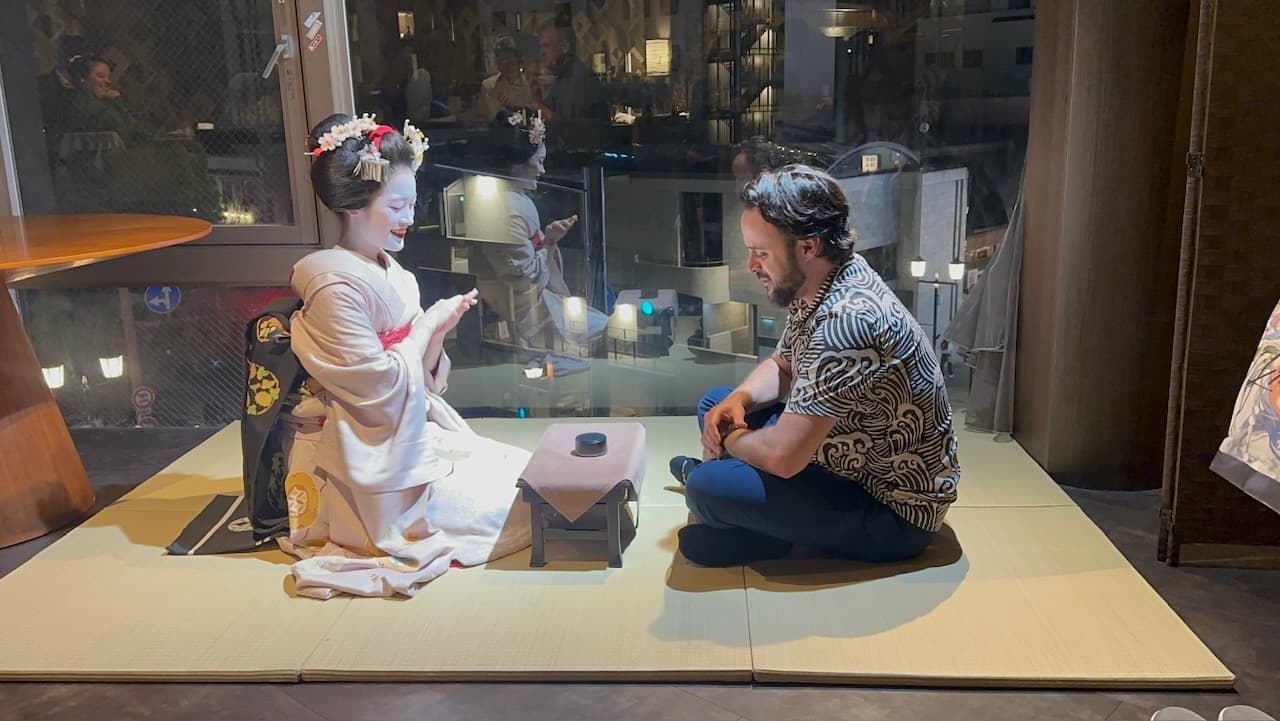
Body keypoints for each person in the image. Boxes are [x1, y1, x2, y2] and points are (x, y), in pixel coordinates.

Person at [275, 112, 532, 599]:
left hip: (404, 430)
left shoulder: (394, 274)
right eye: (396, 207)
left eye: (412, 205)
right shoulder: (331, 284)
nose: (409, 219)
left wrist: (436, 337)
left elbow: (424, 383)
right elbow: (379, 387)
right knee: (502, 506)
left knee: (522, 475)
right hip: (356, 447)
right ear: (353, 206)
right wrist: (428, 327)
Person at [668, 165, 960, 567]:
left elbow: (784, 459)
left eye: (761, 252)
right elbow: (784, 365)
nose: (752, 265)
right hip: (840, 453)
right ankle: (745, 510)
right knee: (717, 402)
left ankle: (753, 523)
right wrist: (739, 401)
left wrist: (727, 438)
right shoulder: (828, 278)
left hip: (889, 510)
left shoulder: (847, 322)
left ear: (808, 247)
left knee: (706, 485)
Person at [467, 109, 606, 357]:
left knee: (604, 329)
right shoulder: (506, 209)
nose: (542, 170)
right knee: (604, 335)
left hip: (535, 299)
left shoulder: (510, 200)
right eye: (538, 162)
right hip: (522, 310)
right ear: (517, 165)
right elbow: (525, 279)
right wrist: (550, 241)